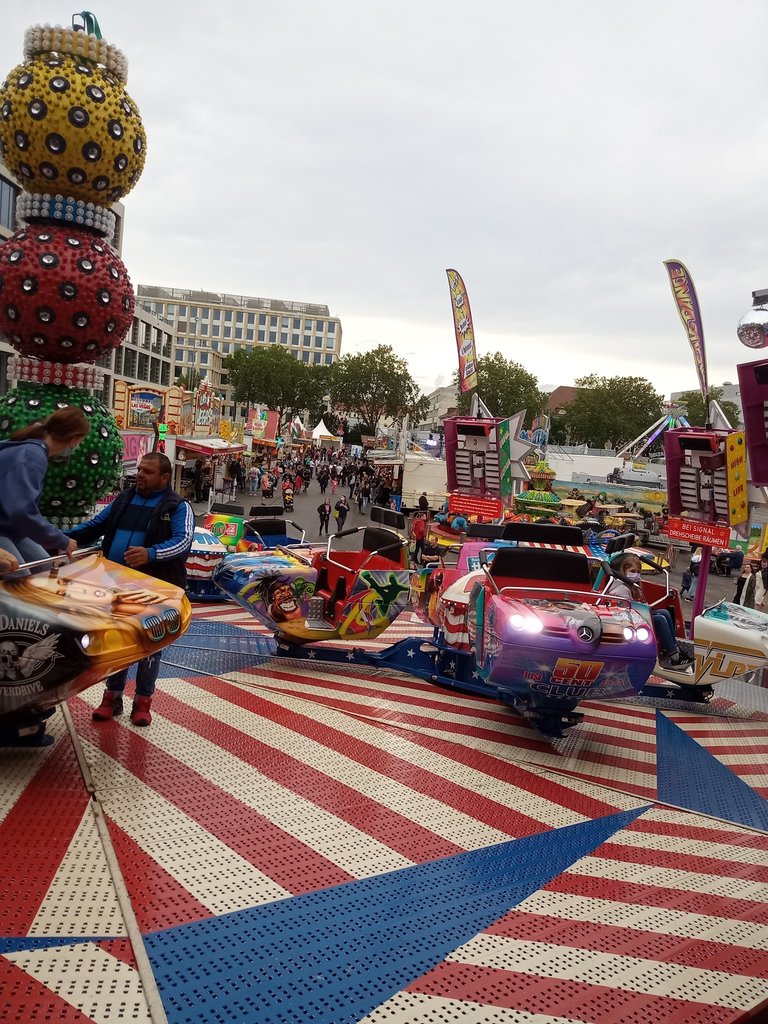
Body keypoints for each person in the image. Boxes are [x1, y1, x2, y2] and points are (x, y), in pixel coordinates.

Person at [65, 453, 194, 726]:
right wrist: (62, 538)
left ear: (164, 477)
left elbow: (182, 542)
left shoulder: (178, 506)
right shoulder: (124, 499)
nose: (140, 475)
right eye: (139, 470)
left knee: (150, 646)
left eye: (147, 472)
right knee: (116, 640)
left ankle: (143, 702)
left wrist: (151, 554)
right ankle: (112, 697)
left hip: (156, 589)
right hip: (115, 585)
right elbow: (96, 526)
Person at [0, 407, 88, 569]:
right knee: (20, 581)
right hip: (6, 528)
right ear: (75, 439)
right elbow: (22, 511)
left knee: (44, 568)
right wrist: (61, 540)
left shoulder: (29, 448)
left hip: (10, 528)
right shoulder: (32, 455)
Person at [606, 553, 693, 669]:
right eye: (632, 571)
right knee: (659, 619)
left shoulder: (632, 587)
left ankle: (674, 649)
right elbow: (625, 611)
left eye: (638, 572)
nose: (636, 575)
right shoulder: (622, 589)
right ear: (623, 571)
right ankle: (675, 657)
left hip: (634, 616)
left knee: (664, 612)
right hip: (625, 621)